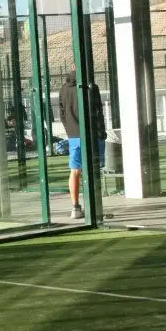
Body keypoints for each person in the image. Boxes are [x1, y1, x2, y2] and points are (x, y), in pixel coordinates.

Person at [58, 68, 106, 220]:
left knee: (74, 171)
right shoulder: (91, 86)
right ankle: (94, 207)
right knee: (92, 171)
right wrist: (101, 132)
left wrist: (70, 131)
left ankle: (75, 207)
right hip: (91, 134)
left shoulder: (64, 89)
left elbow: (62, 114)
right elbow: (98, 112)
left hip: (74, 135)